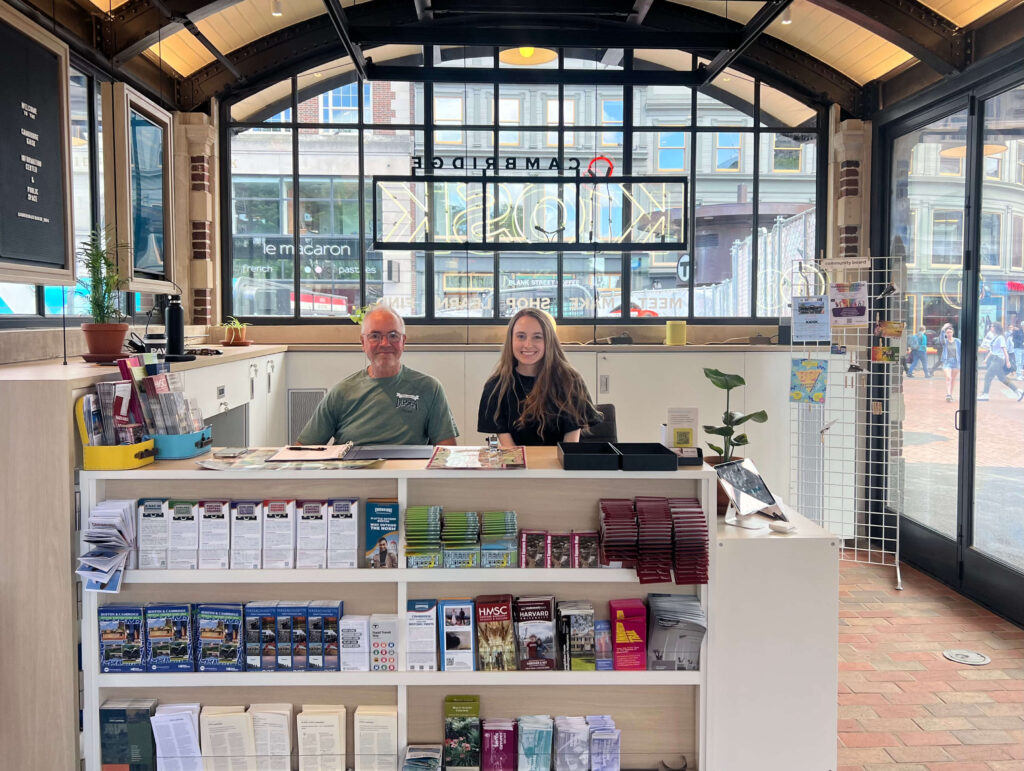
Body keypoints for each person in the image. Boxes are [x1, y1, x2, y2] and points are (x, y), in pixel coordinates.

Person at [297, 306, 459, 445]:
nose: (385, 343)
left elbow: (447, 452)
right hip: (355, 478)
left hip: (408, 479)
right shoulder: (341, 393)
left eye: (393, 335)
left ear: (403, 341)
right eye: (375, 336)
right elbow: (303, 450)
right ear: (363, 343)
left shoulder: (429, 389)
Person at [477, 308, 601, 446]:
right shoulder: (496, 387)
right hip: (519, 464)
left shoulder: (570, 381)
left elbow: (570, 447)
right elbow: (511, 451)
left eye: (537, 337)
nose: (528, 345)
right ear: (511, 340)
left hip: (560, 464)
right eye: (521, 336)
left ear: (549, 341)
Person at [978, 322, 1023, 402]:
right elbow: (992, 351)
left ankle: (985, 394)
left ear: (996, 328)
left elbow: (1004, 350)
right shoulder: (995, 337)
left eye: (992, 326)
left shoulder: (1000, 338)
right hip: (994, 359)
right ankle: (1018, 391)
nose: (990, 328)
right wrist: (986, 359)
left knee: (988, 376)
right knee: (1002, 378)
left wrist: (1008, 361)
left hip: (998, 360)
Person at [938, 324, 961, 403]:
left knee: (953, 379)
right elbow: (941, 339)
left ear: (953, 332)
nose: (949, 334)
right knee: (948, 377)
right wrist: (943, 329)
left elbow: (961, 351)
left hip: (956, 362)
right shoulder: (945, 341)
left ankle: (950, 395)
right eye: (947, 332)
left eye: (950, 332)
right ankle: (948, 394)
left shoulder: (958, 341)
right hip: (947, 362)